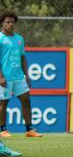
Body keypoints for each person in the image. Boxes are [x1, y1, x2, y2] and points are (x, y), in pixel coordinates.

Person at [0, 10, 43, 138]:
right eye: (8, 22)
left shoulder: (19, 39)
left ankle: (29, 130)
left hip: (18, 76)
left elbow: (23, 57)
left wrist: (27, 74)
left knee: (26, 100)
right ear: (2, 23)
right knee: (3, 103)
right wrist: (0, 76)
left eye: (13, 22)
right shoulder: (0, 38)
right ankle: (2, 130)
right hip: (5, 77)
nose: (10, 24)